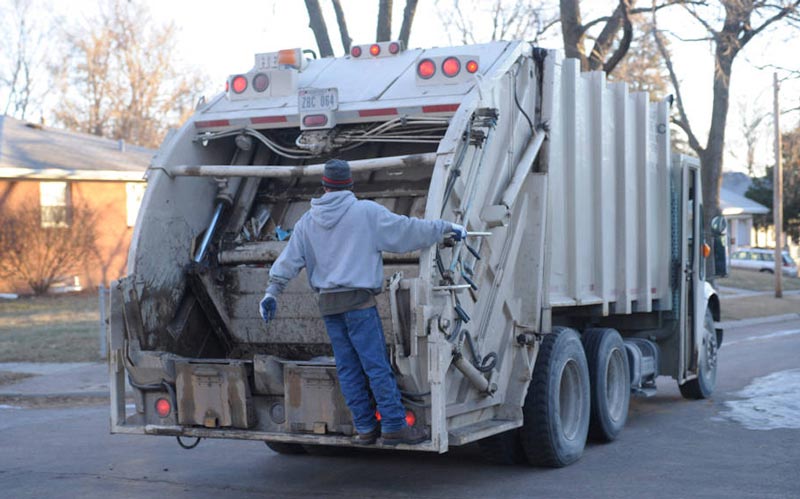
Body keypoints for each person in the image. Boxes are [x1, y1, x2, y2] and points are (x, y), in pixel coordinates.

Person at [259, 158, 466, 446]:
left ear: (324, 186)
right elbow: (407, 231)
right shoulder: (364, 212)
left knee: (348, 368)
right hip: (359, 305)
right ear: (349, 185)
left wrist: (272, 291)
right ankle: (394, 425)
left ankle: (365, 428)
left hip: (329, 307)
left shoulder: (307, 221)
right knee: (375, 365)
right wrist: (445, 227)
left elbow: (289, 259)